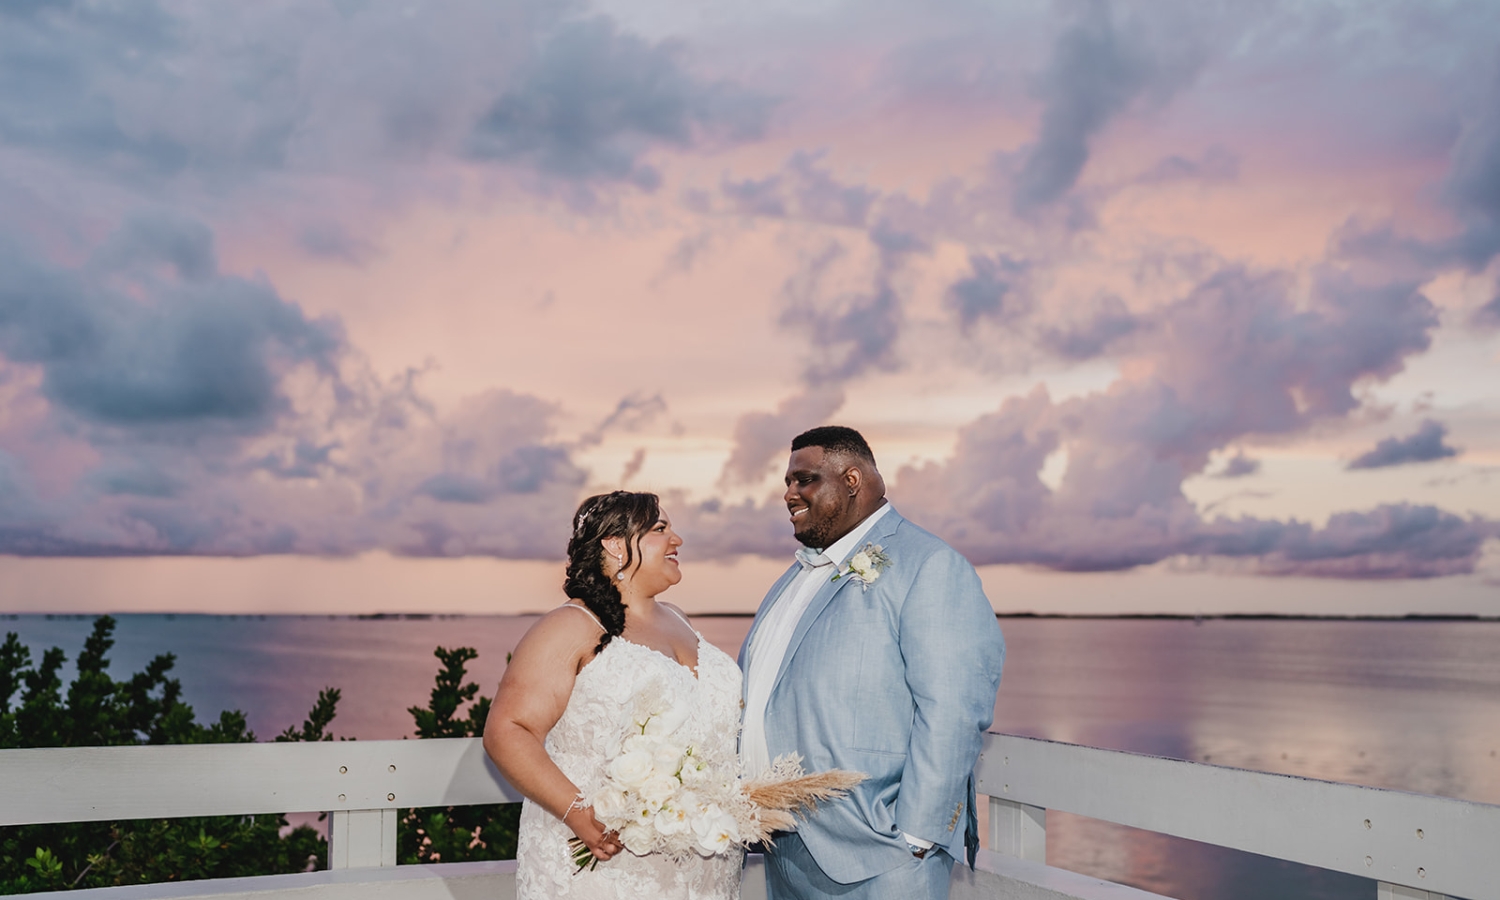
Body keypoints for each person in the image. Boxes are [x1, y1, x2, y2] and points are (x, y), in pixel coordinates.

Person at [739, 426, 1005, 900]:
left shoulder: (929, 564)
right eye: (787, 482)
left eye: (804, 480)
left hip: (877, 857)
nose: (789, 494)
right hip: (784, 850)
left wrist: (916, 838)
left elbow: (954, 708)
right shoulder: (795, 576)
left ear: (853, 479)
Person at [484, 491, 744, 899]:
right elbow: (508, 730)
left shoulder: (678, 618)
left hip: (701, 863)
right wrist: (580, 814)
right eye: (660, 530)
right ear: (615, 544)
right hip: (605, 857)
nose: (677, 541)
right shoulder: (569, 628)